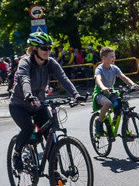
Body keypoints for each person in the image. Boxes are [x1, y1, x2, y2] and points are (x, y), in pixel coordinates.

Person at [9, 34, 83, 170]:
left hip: (39, 105)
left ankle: (54, 172)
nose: (48, 51)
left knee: (50, 134)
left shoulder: (51, 62)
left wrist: (76, 95)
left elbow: (63, 78)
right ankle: (17, 153)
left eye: (49, 48)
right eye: (44, 48)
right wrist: (28, 95)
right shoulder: (25, 62)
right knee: (28, 129)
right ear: (35, 49)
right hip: (19, 104)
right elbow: (24, 79)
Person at [91, 47, 139, 137]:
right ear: (104, 59)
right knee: (107, 103)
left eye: (114, 56)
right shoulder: (99, 69)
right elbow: (98, 79)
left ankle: (125, 131)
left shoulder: (114, 68)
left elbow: (124, 77)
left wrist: (133, 84)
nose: (114, 58)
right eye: (111, 57)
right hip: (100, 93)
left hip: (111, 92)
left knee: (124, 106)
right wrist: (103, 87)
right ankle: (99, 121)